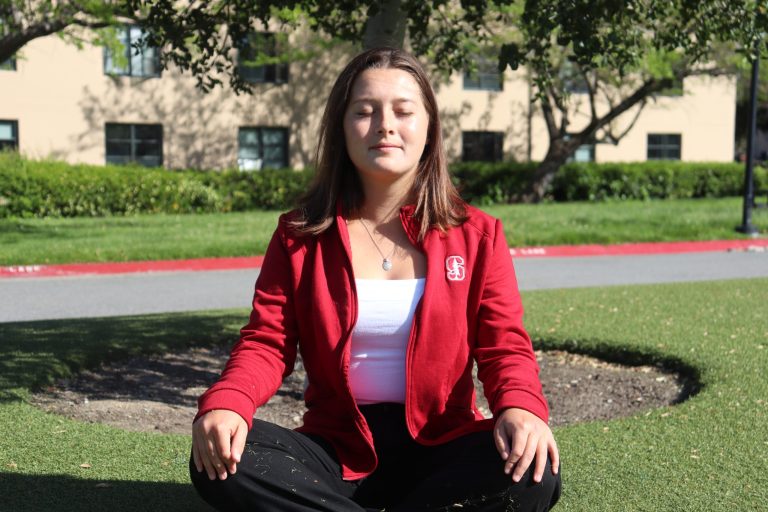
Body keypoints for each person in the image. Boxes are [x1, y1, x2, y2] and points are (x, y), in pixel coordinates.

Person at [190, 47, 562, 512]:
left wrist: (522, 408)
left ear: (428, 128)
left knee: (534, 471)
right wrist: (228, 401)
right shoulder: (300, 235)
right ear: (341, 128)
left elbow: (503, 344)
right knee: (223, 458)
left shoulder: (477, 235)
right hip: (336, 451)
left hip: (441, 447)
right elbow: (267, 340)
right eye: (364, 111)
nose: (385, 125)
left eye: (404, 111)